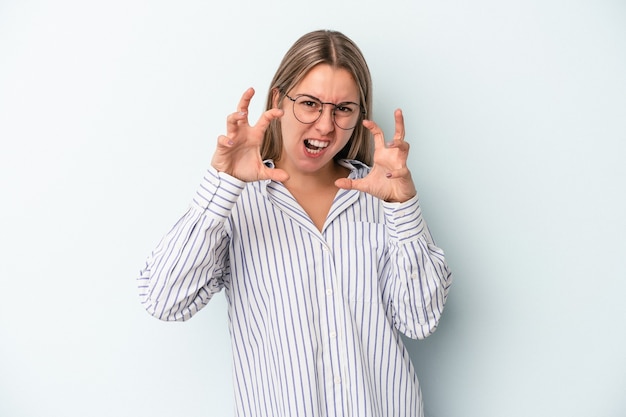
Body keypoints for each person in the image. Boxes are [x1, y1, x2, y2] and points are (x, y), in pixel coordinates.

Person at [138, 29, 452, 417]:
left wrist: (403, 206)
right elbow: (163, 300)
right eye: (309, 104)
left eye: (343, 109)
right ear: (278, 101)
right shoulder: (237, 205)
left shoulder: (380, 200)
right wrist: (222, 184)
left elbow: (420, 320)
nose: (324, 126)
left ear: (358, 116)